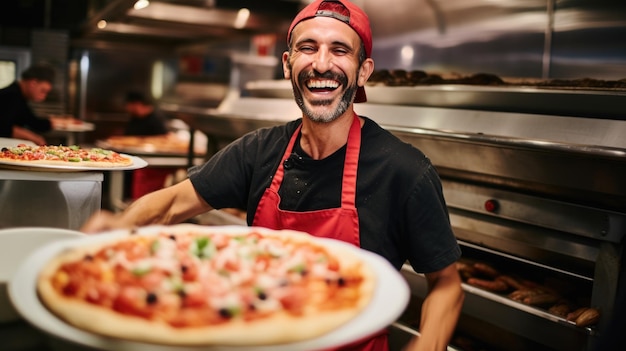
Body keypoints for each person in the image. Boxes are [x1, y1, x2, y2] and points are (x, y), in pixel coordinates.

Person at [82, 0, 464, 350]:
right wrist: (116, 228)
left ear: (363, 72)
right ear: (287, 64)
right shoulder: (259, 151)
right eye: (308, 48)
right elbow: (170, 204)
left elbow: (446, 284)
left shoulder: (404, 170)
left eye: (340, 50)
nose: (321, 64)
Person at [0, 62, 56, 145]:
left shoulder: (20, 96)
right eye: (43, 91)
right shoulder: (10, 95)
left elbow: (31, 121)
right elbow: (3, 127)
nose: (44, 97)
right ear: (33, 83)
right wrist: (33, 137)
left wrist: (55, 122)